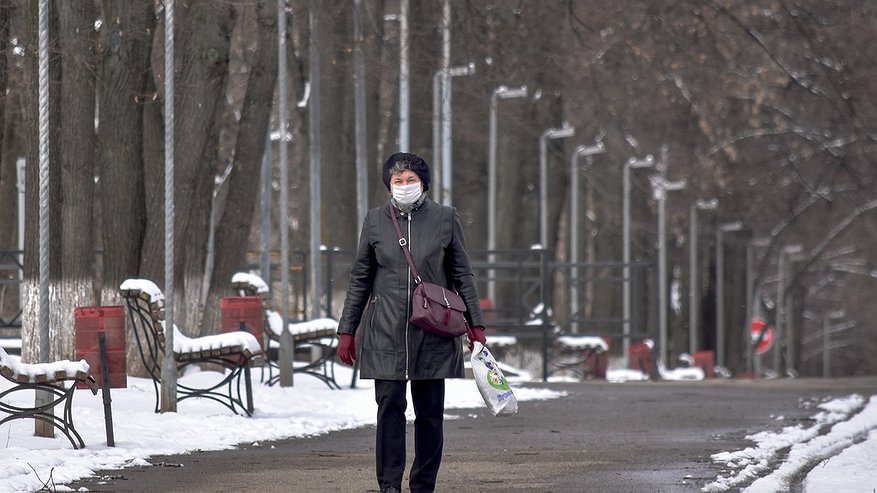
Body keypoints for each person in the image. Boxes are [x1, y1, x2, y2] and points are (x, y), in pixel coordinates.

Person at [336, 152, 487, 493]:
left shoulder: (446, 219)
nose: (404, 186)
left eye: (411, 180)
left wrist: (475, 324)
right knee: (389, 409)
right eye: (397, 180)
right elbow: (360, 277)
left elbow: (463, 273)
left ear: (424, 183)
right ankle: (389, 485)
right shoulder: (375, 221)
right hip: (385, 332)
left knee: (430, 414)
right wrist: (347, 330)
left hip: (434, 331)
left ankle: (423, 485)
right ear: (389, 185)